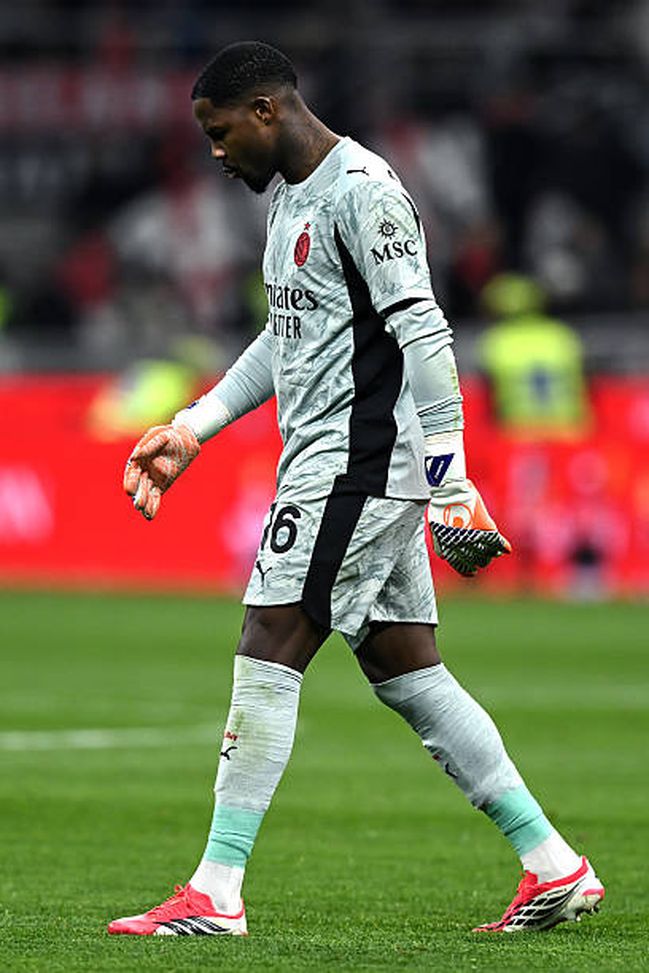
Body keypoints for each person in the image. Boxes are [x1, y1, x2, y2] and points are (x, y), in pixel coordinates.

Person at [109, 42, 604, 937]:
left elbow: (425, 332)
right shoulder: (289, 197)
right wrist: (192, 426)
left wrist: (450, 479)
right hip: (345, 463)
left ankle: (216, 889)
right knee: (408, 670)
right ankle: (552, 863)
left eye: (221, 131)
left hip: (356, 466)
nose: (215, 151)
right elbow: (285, 336)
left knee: (267, 643)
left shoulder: (363, 192)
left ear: (266, 110)